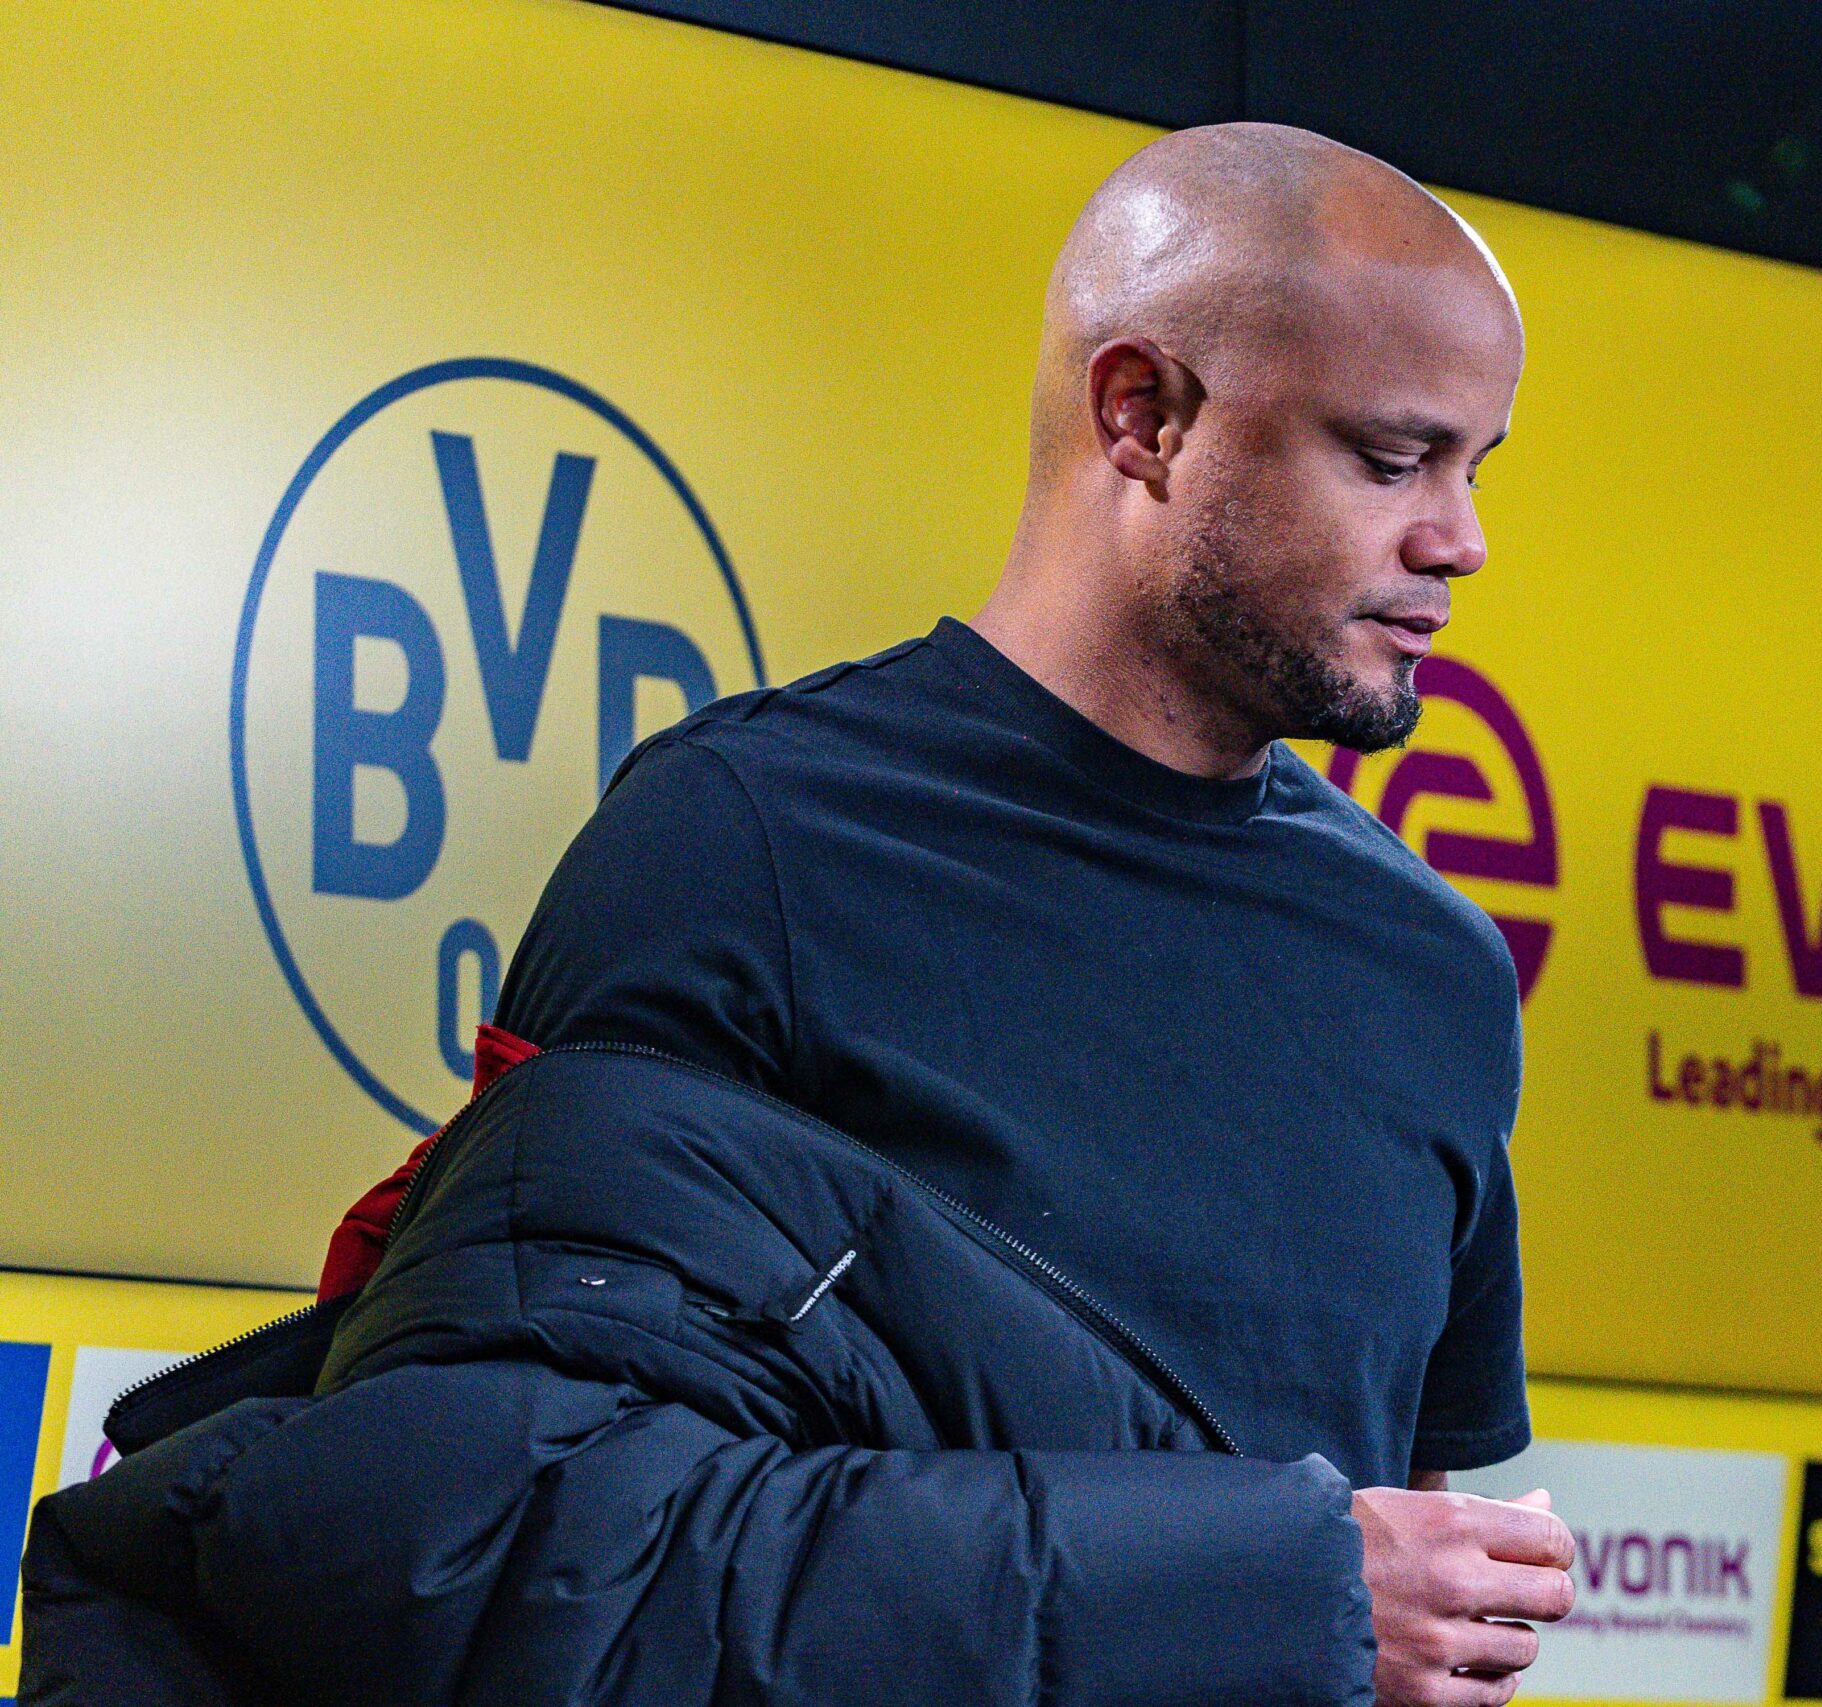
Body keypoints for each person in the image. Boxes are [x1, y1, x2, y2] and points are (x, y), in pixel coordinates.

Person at [22, 122, 1569, 1707]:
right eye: (1391, 459)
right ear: (1142, 415)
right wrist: (1253, 1591)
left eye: (1475, 467)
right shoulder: (736, 842)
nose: (1459, 540)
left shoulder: (1433, 973)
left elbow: (1396, 1596)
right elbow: (508, 1542)